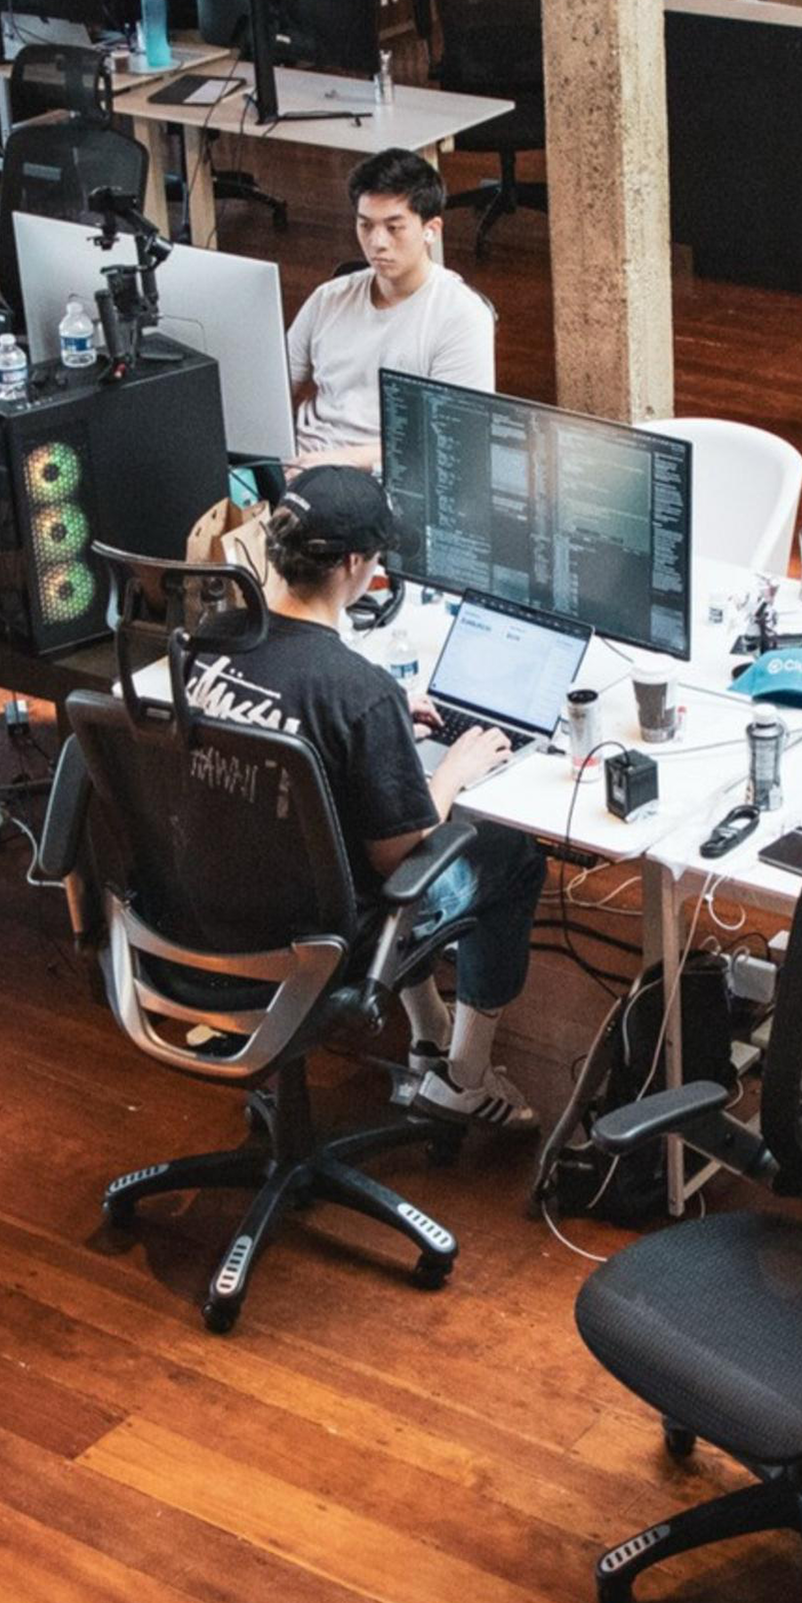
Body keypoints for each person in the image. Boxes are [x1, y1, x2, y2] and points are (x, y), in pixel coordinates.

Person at [180, 466, 546, 1128]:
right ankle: (463, 1081)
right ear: (354, 564)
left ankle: (428, 1032)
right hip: (313, 936)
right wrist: (452, 773)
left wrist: (374, 731)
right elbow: (401, 856)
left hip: (202, 909)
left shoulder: (208, 644)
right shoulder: (356, 691)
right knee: (511, 856)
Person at [288, 148, 494, 467]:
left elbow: (454, 439)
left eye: (393, 227)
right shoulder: (328, 298)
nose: (377, 242)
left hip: (378, 475)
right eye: (366, 226)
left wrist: (334, 461)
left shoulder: (462, 316)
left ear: (431, 230)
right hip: (299, 456)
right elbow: (273, 385)